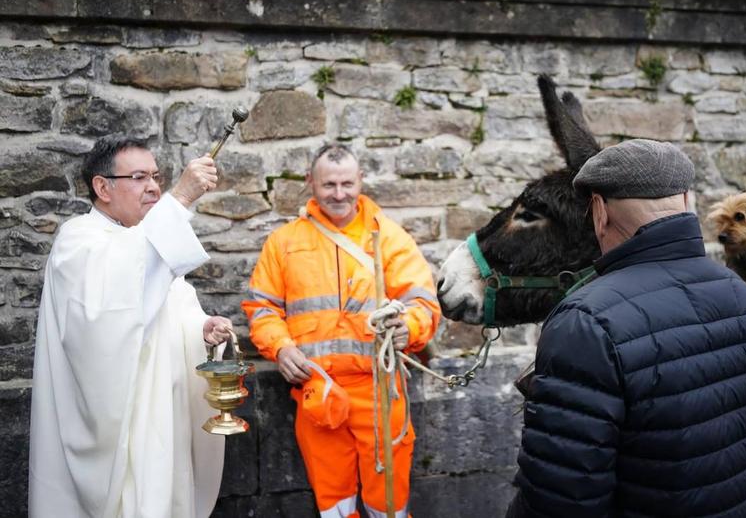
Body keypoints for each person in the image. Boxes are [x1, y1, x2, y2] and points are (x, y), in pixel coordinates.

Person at [506, 139, 746, 517]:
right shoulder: (743, 296)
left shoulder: (586, 321)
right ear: (687, 201)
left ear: (599, 211)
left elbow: (561, 496)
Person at [29, 136, 232, 518]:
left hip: (162, 420)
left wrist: (200, 330)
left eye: (156, 176)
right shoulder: (79, 240)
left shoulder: (146, 244)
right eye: (139, 177)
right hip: (120, 424)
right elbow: (107, 317)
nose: (154, 186)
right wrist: (182, 198)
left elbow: (168, 311)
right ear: (102, 187)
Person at [241, 144, 440, 517]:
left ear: (360, 181)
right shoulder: (283, 243)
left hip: (380, 388)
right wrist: (281, 349)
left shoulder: (390, 238)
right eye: (328, 184)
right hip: (318, 390)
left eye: (347, 183)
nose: (339, 194)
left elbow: (422, 302)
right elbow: (262, 308)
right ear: (310, 183)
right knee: (333, 502)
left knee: (389, 504)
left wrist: (407, 328)